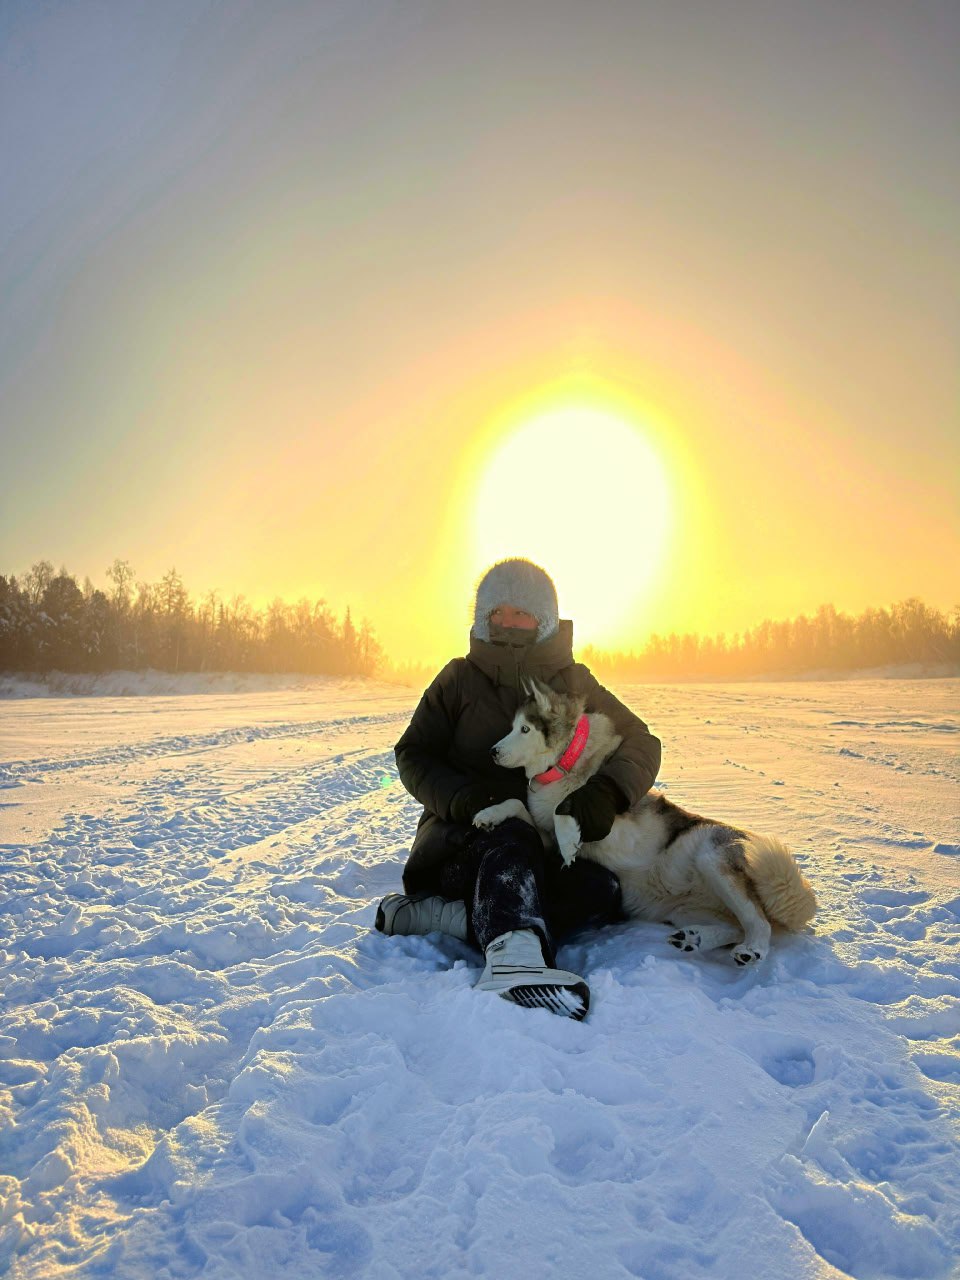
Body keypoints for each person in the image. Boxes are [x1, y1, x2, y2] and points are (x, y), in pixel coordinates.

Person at [375, 558, 661, 1020]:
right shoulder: (458, 679)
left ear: (543, 620)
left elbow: (642, 741)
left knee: (602, 888)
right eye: (497, 613)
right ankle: (514, 960)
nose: (507, 622)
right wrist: (464, 800)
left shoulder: (573, 683)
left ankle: (447, 916)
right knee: (512, 834)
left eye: (521, 613)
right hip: (464, 841)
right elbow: (413, 753)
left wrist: (607, 792)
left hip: (544, 846)